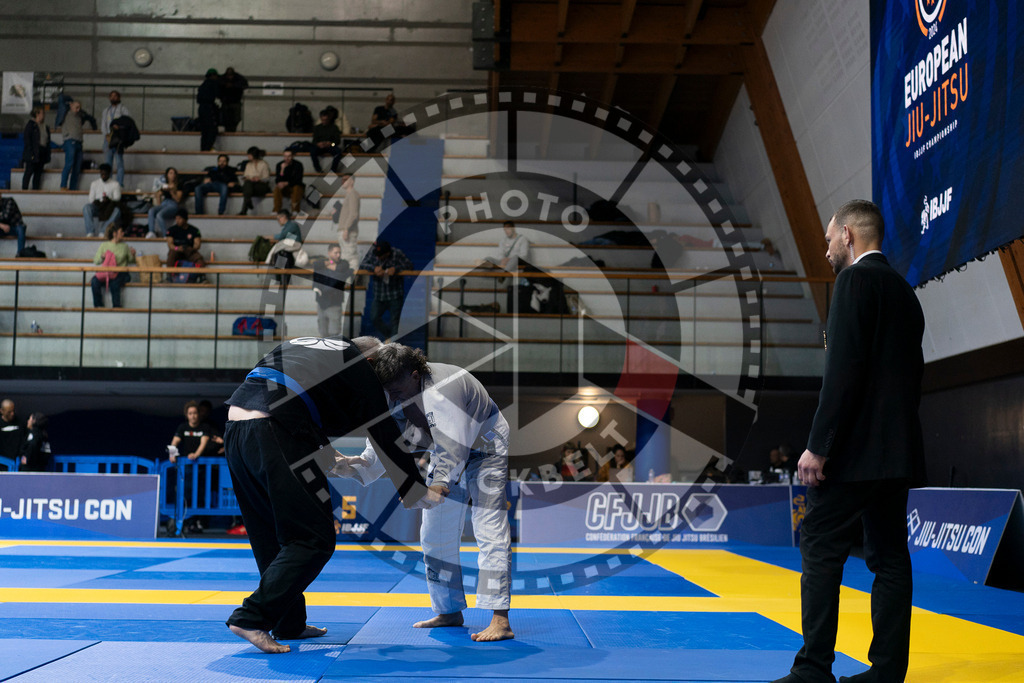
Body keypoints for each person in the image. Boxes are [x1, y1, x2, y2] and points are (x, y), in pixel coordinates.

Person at [772, 200, 926, 683]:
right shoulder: (906, 292)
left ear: (848, 235)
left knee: (818, 542)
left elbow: (842, 373)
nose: (825, 251)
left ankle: (814, 668)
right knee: (890, 560)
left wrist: (819, 445)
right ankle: (886, 674)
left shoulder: (854, 282)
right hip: (898, 453)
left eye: (828, 239)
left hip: (856, 454)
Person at [222, 335, 440, 654]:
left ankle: (288, 622)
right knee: (313, 538)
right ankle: (251, 617)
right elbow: (383, 432)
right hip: (275, 432)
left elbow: (298, 407)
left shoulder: (304, 347)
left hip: (236, 431)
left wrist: (330, 459)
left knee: (270, 534)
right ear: (370, 361)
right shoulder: (359, 364)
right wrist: (413, 490)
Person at [358, 342, 514, 641]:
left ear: (415, 376)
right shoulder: (393, 386)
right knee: (434, 532)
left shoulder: (443, 390)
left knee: (489, 528)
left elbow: (453, 448)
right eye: (390, 392)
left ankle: (500, 619)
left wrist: (437, 488)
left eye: (399, 392)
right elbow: (386, 437)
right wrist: (361, 463)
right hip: (444, 450)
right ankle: (449, 610)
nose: (394, 398)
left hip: (486, 446)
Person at [169, 400, 213, 533]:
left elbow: (203, 443)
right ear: (187, 415)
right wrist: (172, 455)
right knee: (185, 493)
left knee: (201, 494)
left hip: (201, 467)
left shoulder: (205, 427)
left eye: (195, 413)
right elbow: (174, 442)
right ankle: (184, 522)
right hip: (187, 468)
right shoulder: (183, 427)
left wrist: (196, 454)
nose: (193, 416)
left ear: (199, 414)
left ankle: (198, 522)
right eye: (190, 413)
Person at [359, 239, 413, 340]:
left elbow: (409, 265)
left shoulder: (397, 253)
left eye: (381, 255)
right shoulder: (373, 253)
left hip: (395, 293)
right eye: (377, 255)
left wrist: (395, 269)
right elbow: (362, 264)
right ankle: (389, 336)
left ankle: (394, 346)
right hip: (379, 294)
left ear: (387, 253)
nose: (378, 257)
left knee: (395, 321)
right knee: (374, 317)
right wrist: (373, 268)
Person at [91, 223, 136, 308]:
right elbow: (96, 261)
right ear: (114, 233)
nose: (123, 233)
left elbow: (131, 260)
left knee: (115, 282)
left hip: (121, 272)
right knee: (94, 282)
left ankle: (117, 307)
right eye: (121, 232)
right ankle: (98, 307)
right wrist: (102, 257)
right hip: (107, 272)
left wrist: (133, 255)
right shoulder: (104, 245)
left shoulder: (125, 246)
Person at [313, 245, 349, 337]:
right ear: (329, 253)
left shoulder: (343, 264)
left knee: (334, 334)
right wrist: (330, 262)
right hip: (322, 302)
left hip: (334, 302)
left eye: (339, 253)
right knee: (323, 333)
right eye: (336, 253)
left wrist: (330, 264)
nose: (338, 255)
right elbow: (315, 264)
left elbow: (341, 268)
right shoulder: (322, 263)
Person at [83, 163, 122, 237]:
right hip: (98, 206)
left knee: (117, 211)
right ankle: (90, 232)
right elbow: (91, 199)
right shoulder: (94, 183)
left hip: (109, 207)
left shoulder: (115, 184)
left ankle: (103, 231)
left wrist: (109, 200)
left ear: (109, 174)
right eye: (102, 174)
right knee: (86, 207)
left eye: (105, 174)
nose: (103, 176)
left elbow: (117, 198)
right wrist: (98, 201)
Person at [101, 90, 130, 186]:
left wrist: (120, 128)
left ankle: (119, 184)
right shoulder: (106, 110)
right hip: (108, 139)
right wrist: (106, 135)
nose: (113, 98)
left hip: (118, 139)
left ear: (119, 98)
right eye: (111, 96)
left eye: (115, 96)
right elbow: (103, 124)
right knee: (108, 163)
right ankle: (108, 183)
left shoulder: (123, 110)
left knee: (119, 163)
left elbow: (127, 122)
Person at [335, 173, 361, 275]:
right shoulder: (349, 195)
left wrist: (346, 229)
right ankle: (348, 280)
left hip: (348, 230)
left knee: (350, 256)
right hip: (345, 230)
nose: (343, 181)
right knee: (345, 256)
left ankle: (352, 281)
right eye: (342, 179)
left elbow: (354, 214)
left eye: (346, 179)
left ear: (352, 181)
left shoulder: (353, 194)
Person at [148, 167, 183, 238]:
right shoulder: (164, 185)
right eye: (170, 173)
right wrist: (158, 198)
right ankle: (151, 231)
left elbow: (178, 200)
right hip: (164, 203)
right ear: (167, 175)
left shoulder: (179, 185)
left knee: (159, 215)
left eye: (174, 173)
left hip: (173, 204)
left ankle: (166, 235)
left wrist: (171, 191)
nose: (172, 175)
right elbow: (158, 196)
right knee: (151, 210)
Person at [21, 107, 51, 191]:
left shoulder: (45, 127)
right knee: (29, 172)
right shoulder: (31, 125)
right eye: (42, 113)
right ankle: (24, 189)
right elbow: (28, 140)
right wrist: (31, 153)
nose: (43, 115)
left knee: (38, 174)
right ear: (37, 114)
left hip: (42, 151)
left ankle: (35, 189)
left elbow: (47, 141)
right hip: (33, 151)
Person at [60, 100, 85, 191]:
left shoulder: (79, 117)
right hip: (70, 140)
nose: (78, 109)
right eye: (76, 107)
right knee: (69, 163)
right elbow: (62, 99)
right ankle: (63, 185)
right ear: (71, 106)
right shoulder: (65, 113)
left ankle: (73, 188)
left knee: (77, 167)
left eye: (79, 108)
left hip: (79, 141)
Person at [238, 146, 271, 216]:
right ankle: (246, 204)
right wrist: (251, 178)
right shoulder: (248, 164)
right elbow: (246, 176)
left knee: (247, 189)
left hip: (261, 185)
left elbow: (267, 178)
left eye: (249, 154)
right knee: (248, 184)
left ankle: (246, 205)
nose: (248, 156)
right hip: (250, 185)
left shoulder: (264, 164)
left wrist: (259, 179)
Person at [272, 149, 304, 215]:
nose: (287, 158)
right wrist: (282, 169)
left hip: (295, 186)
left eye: (289, 156)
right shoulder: (279, 165)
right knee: (277, 188)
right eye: (285, 156)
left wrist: (286, 183)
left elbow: (298, 180)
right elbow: (278, 180)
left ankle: (295, 210)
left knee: (296, 188)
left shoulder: (298, 165)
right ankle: (276, 210)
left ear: (292, 156)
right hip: (285, 188)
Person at [197, 68, 221, 151]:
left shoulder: (203, 85)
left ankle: (203, 149)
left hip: (202, 109)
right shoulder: (213, 84)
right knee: (212, 130)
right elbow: (218, 94)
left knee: (204, 131)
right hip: (208, 108)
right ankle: (207, 148)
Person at [219, 67, 248, 133]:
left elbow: (245, 85)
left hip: (235, 102)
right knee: (226, 119)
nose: (230, 77)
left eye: (231, 75)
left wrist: (233, 86)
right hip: (226, 102)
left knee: (235, 119)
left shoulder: (239, 78)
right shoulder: (223, 79)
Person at [0, 399, 26, 466]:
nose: (12, 414)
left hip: (16, 461)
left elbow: (23, 441)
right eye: (9, 412)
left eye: (13, 411)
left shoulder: (20, 423)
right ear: (1, 411)